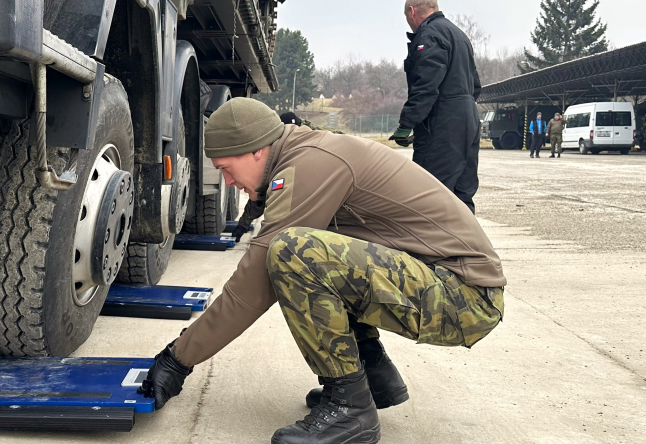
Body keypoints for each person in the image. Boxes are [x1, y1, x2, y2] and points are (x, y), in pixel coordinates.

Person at [141, 98, 507, 444]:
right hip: (452, 287)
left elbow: (252, 285)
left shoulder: (309, 163)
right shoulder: (307, 153)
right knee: (320, 247)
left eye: (225, 169)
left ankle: (351, 409)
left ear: (256, 150)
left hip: (464, 299)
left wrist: (178, 359)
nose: (228, 182)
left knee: (292, 253)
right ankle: (373, 376)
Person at [387, 0, 483, 214]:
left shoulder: (429, 35)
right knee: (462, 194)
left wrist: (406, 125)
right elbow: (475, 86)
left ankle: (429, 248)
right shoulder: (459, 35)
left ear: (412, 12)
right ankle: (466, 245)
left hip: (442, 125)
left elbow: (426, 85)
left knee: (429, 194)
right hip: (468, 120)